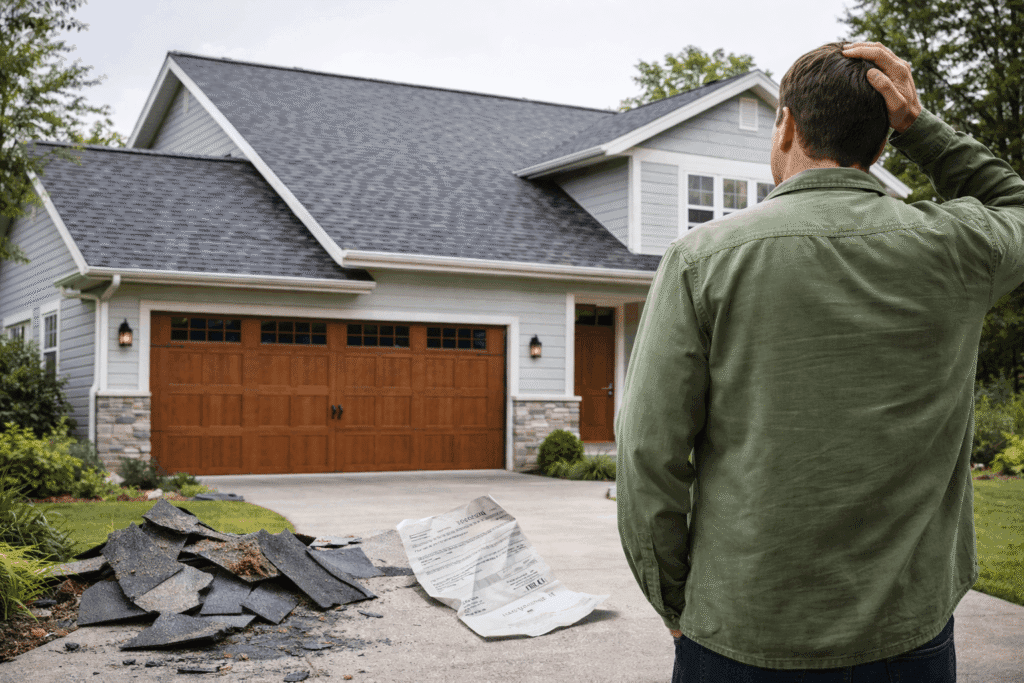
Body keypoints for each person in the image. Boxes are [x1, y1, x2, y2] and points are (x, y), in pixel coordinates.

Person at [616, 41, 1024, 682]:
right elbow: (1015, 204)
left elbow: (648, 457)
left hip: (738, 634)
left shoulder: (703, 259)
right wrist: (923, 128)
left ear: (786, 124)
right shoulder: (958, 249)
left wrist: (673, 601)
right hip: (906, 638)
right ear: (884, 141)